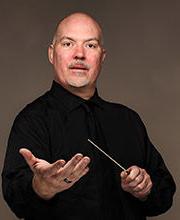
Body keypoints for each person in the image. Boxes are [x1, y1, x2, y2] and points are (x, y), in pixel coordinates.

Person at [2, 12, 176, 220]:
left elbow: (164, 195)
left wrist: (146, 188)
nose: (79, 54)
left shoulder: (128, 120)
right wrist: (41, 187)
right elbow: (15, 199)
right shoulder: (31, 120)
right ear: (51, 54)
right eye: (68, 44)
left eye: (90, 45)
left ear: (102, 57)